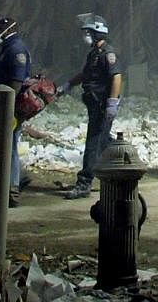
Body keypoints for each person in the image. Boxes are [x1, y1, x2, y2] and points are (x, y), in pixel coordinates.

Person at [60, 13, 122, 199]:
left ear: (97, 33)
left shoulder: (108, 54)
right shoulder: (94, 53)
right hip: (94, 104)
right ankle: (123, 163)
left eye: (88, 32)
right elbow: (85, 74)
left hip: (103, 105)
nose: (85, 36)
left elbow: (116, 77)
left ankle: (84, 183)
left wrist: (112, 103)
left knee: (93, 144)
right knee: (103, 142)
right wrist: (69, 84)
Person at [0, 15, 31, 207]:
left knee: (9, 147)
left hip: (8, 107)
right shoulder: (8, 48)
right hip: (1, 106)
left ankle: (11, 189)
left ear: (9, 30)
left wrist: (7, 109)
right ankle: (8, 184)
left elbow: (16, 82)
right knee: (5, 146)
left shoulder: (16, 50)